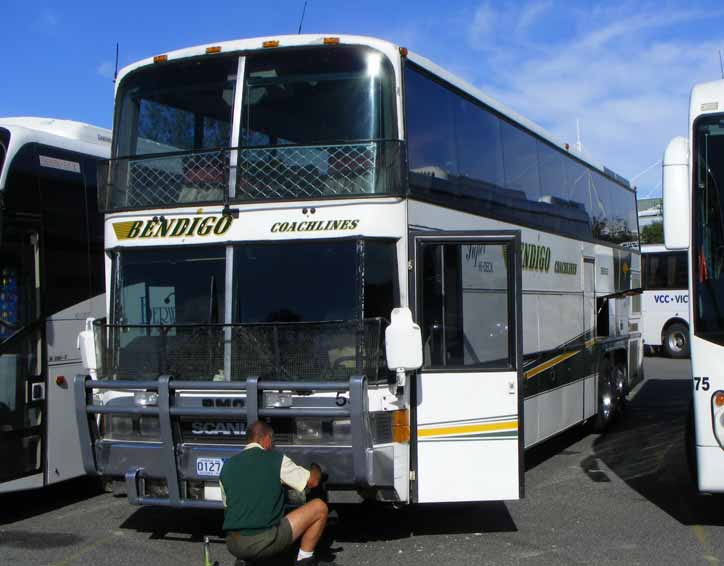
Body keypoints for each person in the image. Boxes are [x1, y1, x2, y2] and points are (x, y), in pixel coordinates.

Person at [220, 420, 328, 565]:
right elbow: (312, 482)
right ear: (266, 439)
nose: (272, 446)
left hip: (233, 543)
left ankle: (246, 559)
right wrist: (316, 467)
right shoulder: (275, 459)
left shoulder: (227, 466)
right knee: (319, 507)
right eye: (273, 441)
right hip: (262, 542)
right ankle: (304, 560)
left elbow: (230, 505)